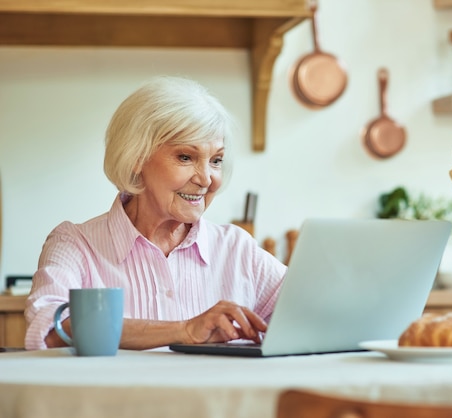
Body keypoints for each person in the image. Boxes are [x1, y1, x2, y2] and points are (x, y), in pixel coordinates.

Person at [24, 76, 287, 350]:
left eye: (216, 160)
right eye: (186, 157)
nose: (206, 179)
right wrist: (184, 331)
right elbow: (50, 332)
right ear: (136, 158)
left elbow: (314, 315)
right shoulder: (76, 244)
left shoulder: (236, 248)